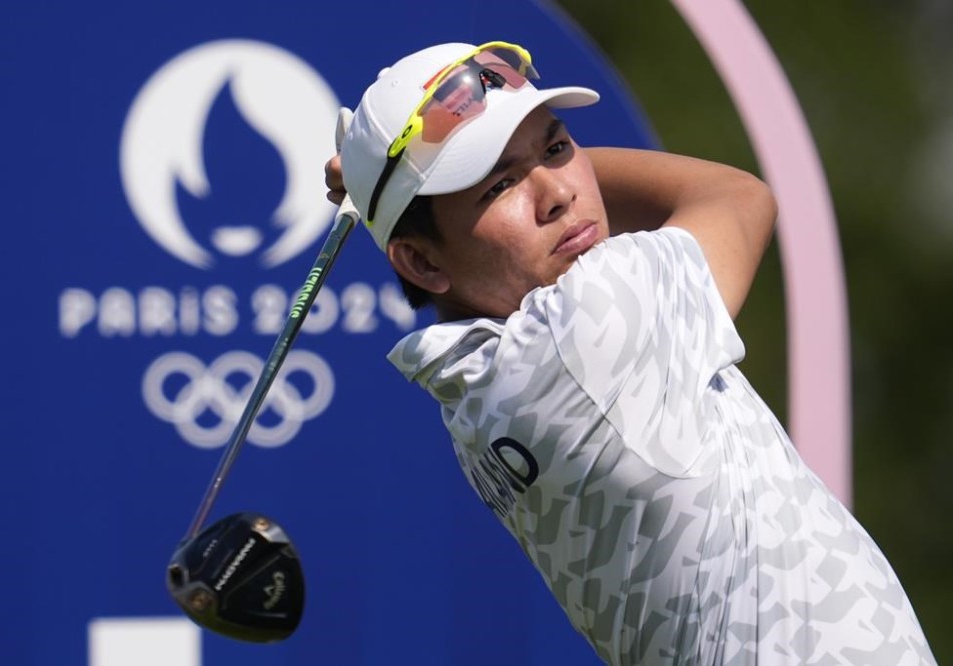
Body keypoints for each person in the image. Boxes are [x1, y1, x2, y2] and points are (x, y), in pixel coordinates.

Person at [325, 41, 936, 664]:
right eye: (500, 185)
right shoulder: (586, 326)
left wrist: (392, 198)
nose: (558, 194)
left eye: (558, 147)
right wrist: (388, 194)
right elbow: (738, 196)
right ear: (422, 261)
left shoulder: (478, 380)